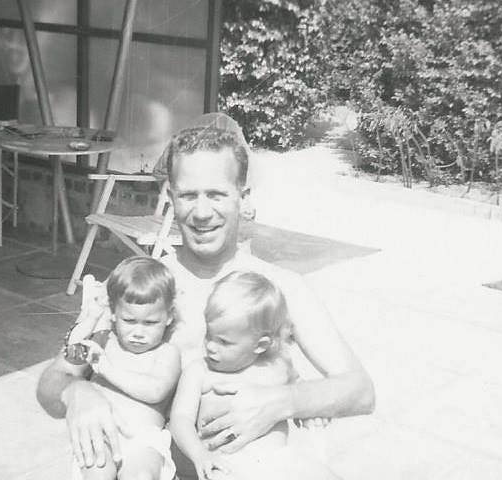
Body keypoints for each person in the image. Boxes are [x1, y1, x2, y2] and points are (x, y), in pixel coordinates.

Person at [37, 115, 375, 479]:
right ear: (170, 198)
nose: (201, 212)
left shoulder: (279, 288)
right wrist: (75, 394)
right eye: (188, 195)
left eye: (216, 194)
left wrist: (284, 401)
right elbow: (52, 383)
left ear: (242, 198)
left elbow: (360, 390)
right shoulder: (142, 288)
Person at [170, 270, 338, 480]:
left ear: (261, 345)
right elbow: (180, 418)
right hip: (225, 465)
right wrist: (200, 455)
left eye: (224, 342)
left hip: (278, 462)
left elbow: (298, 392)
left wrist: (309, 414)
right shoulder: (199, 372)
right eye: (209, 335)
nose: (211, 346)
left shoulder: (278, 366)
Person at [63, 256, 181, 480]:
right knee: (97, 474)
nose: (138, 332)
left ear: (168, 317)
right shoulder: (106, 340)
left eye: (150, 323)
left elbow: (156, 391)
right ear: (115, 313)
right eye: (129, 320)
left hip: (144, 441)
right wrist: (94, 315)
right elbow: (72, 347)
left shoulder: (167, 353)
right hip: (100, 435)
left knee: (142, 476)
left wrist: (106, 369)